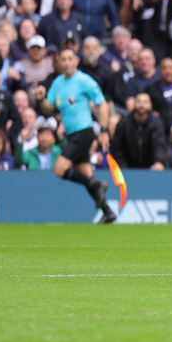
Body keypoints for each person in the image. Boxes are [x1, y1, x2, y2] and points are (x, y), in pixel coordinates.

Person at [33, 48, 115, 223]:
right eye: (64, 59)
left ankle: (96, 185)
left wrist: (104, 130)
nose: (67, 62)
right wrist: (40, 99)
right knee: (85, 174)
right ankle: (107, 211)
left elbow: (103, 105)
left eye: (70, 58)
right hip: (71, 135)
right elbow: (49, 107)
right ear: (60, 62)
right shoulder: (58, 83)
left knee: (59, 169)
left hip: (84, 132)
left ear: (76, 61)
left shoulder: (84, 81)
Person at [111, 92, 167, 170]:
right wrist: (122, 167)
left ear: (150, 105)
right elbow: (117, 147)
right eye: (139, 101)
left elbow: (159, 145)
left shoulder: (157, 123)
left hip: (151, 168)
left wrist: (159, 161)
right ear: (134, 104)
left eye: (145, 102)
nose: (142, 105)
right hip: (127, 168)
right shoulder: (124, 122)